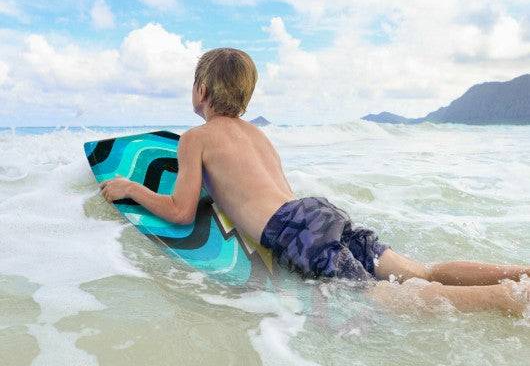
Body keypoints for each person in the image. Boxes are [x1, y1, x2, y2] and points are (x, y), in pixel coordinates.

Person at [99, 48, 530, 315]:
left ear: (202, 89)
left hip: (293, 230)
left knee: (379, 297)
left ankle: (507, 299)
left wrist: (131, 188)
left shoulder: (195, 138)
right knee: (419, 271)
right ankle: (520, 273)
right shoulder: (259, 137)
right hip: (317, 212)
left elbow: (181, 211)